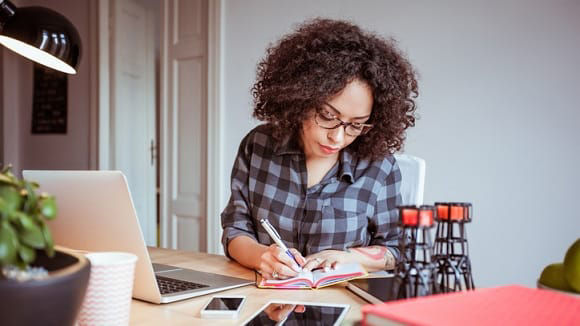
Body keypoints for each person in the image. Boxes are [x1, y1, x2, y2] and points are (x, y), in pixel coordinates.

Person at [221, 18, 418, 281]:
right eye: (327, 116)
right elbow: (235, 230)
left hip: (341, 308)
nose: (337, 137)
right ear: (301, 99)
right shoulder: (258, 146)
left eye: (355, 125)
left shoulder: (378, 166)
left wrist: (352, 257)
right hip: (266, 300)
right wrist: (262, 257)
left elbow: (398, 249)